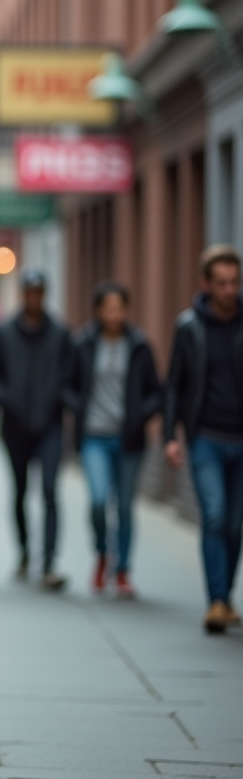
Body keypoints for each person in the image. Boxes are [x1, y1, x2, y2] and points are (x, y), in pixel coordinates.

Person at [64, 282, 162, 599]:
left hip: (128, 438)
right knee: (97, 501)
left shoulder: (139, 345)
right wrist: (78, 407)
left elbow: (155, 391)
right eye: (108, 308)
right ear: (97, 311)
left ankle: (122, 570)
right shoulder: (82, 343)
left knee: (124, 507)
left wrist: (139, 416)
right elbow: (67, 384)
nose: (114, 315)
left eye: (119, 308)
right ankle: (102, 553)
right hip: (94, 436)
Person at [164, 245, 243, 634]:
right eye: (222, 283)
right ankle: (216, 600)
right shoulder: (189, 326)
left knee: (235, 523)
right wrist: (170, 436)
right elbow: (174, 384)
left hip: (241, 439)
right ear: (206, 283)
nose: (229, 290)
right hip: (205, 438)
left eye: (234, 282)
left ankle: (225, 595)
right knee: (214, 515)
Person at [0, 270, 72, 591]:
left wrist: (59, 398)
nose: (34, 298)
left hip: (50, 424)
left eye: (39, 292)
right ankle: (24, 551)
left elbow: (69, 374)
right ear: (22, 294)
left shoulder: (60, 333)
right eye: (29, 292)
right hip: (15, 426)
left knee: (49, 490)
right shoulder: (3, 333)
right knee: (20, 490)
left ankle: (49, 561)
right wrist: (6, 399)